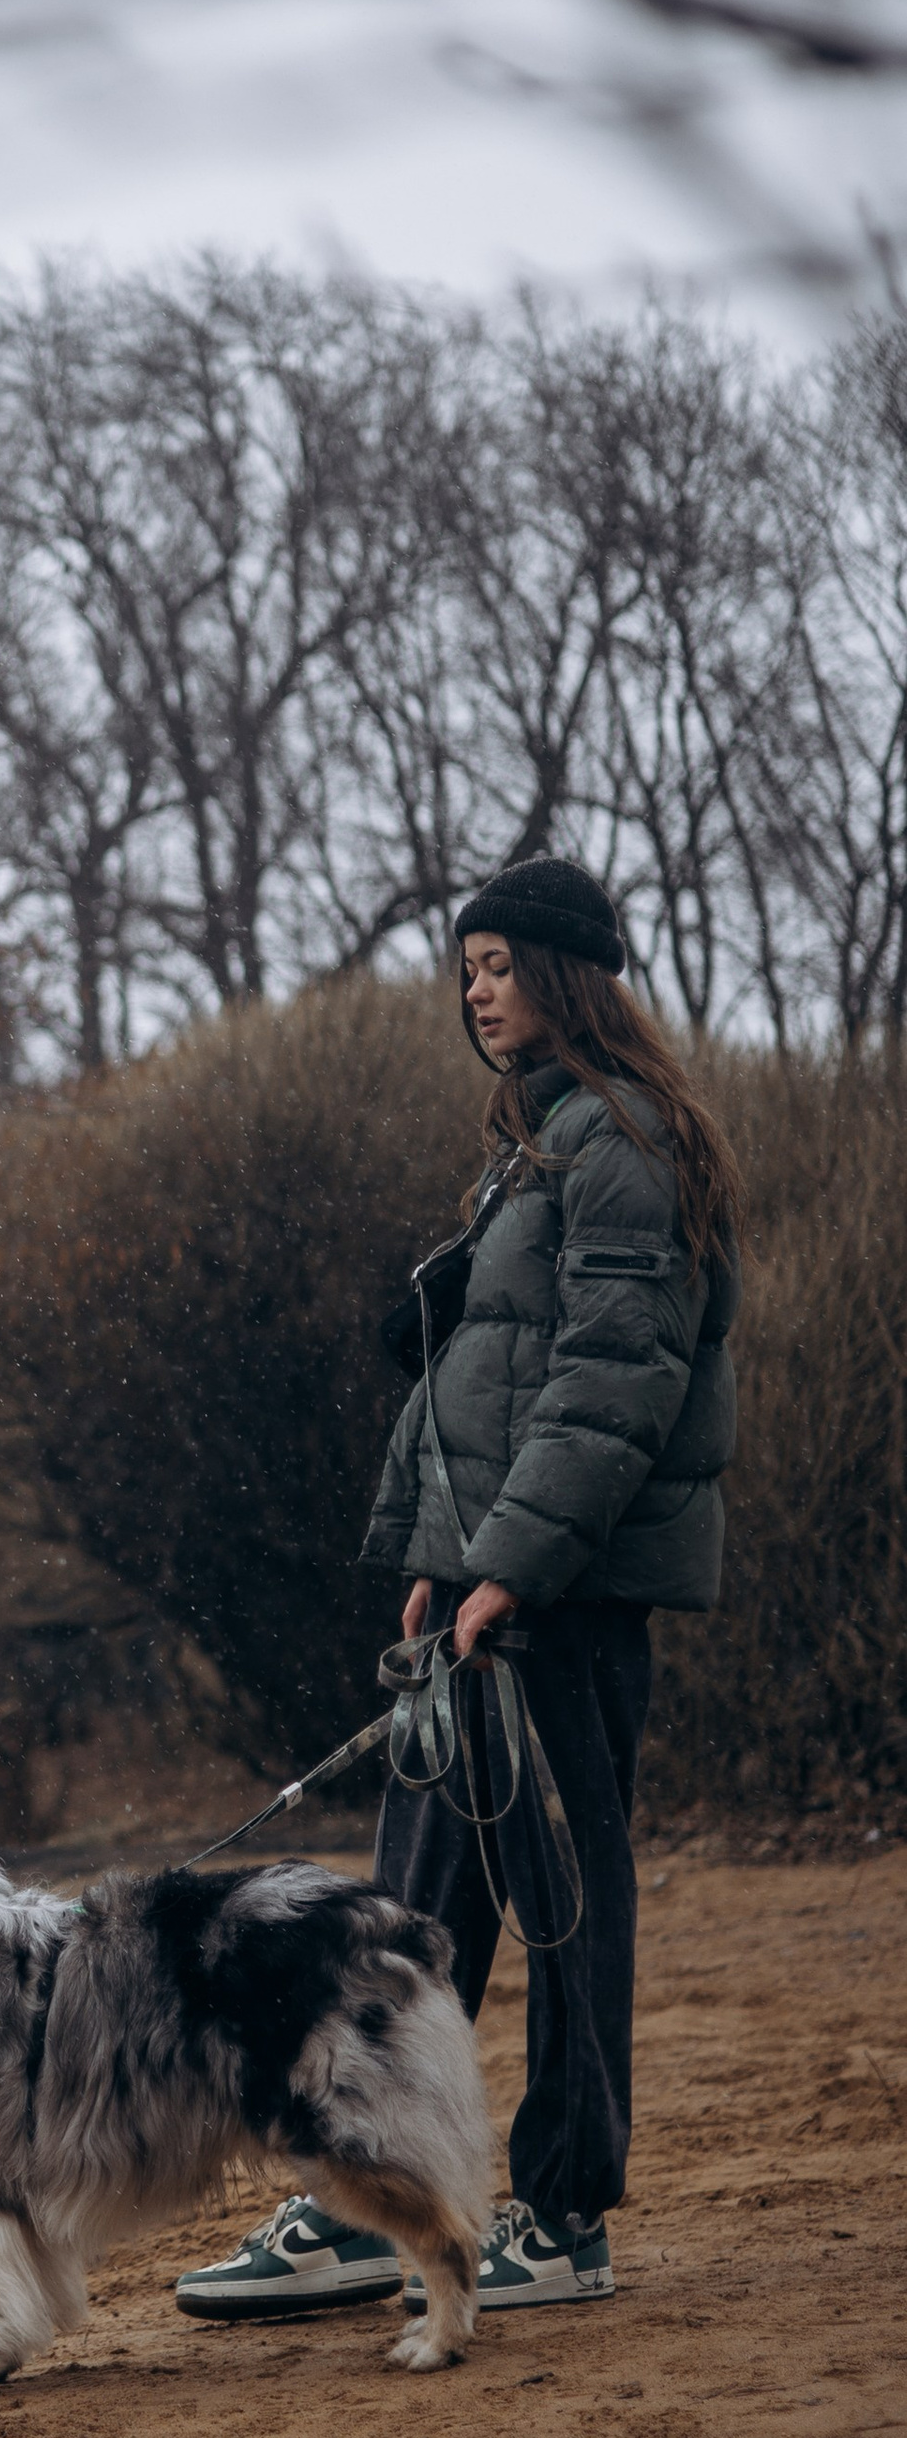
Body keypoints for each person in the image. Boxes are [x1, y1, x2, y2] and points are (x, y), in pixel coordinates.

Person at [177, 854, 743, 2326]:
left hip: (563, 1598)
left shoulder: (623, 1144)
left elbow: (609, 1390)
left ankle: (561, 2213)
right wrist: (441, 1562)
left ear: (568, 973)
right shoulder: (537, 1147)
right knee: (415, 1903)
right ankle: (368, 2192)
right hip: (488, 1601)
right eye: (469, 967)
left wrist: (509, 1568)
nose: (476, 990)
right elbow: (486, 1388)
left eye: (499, 964)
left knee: (563, 1908)